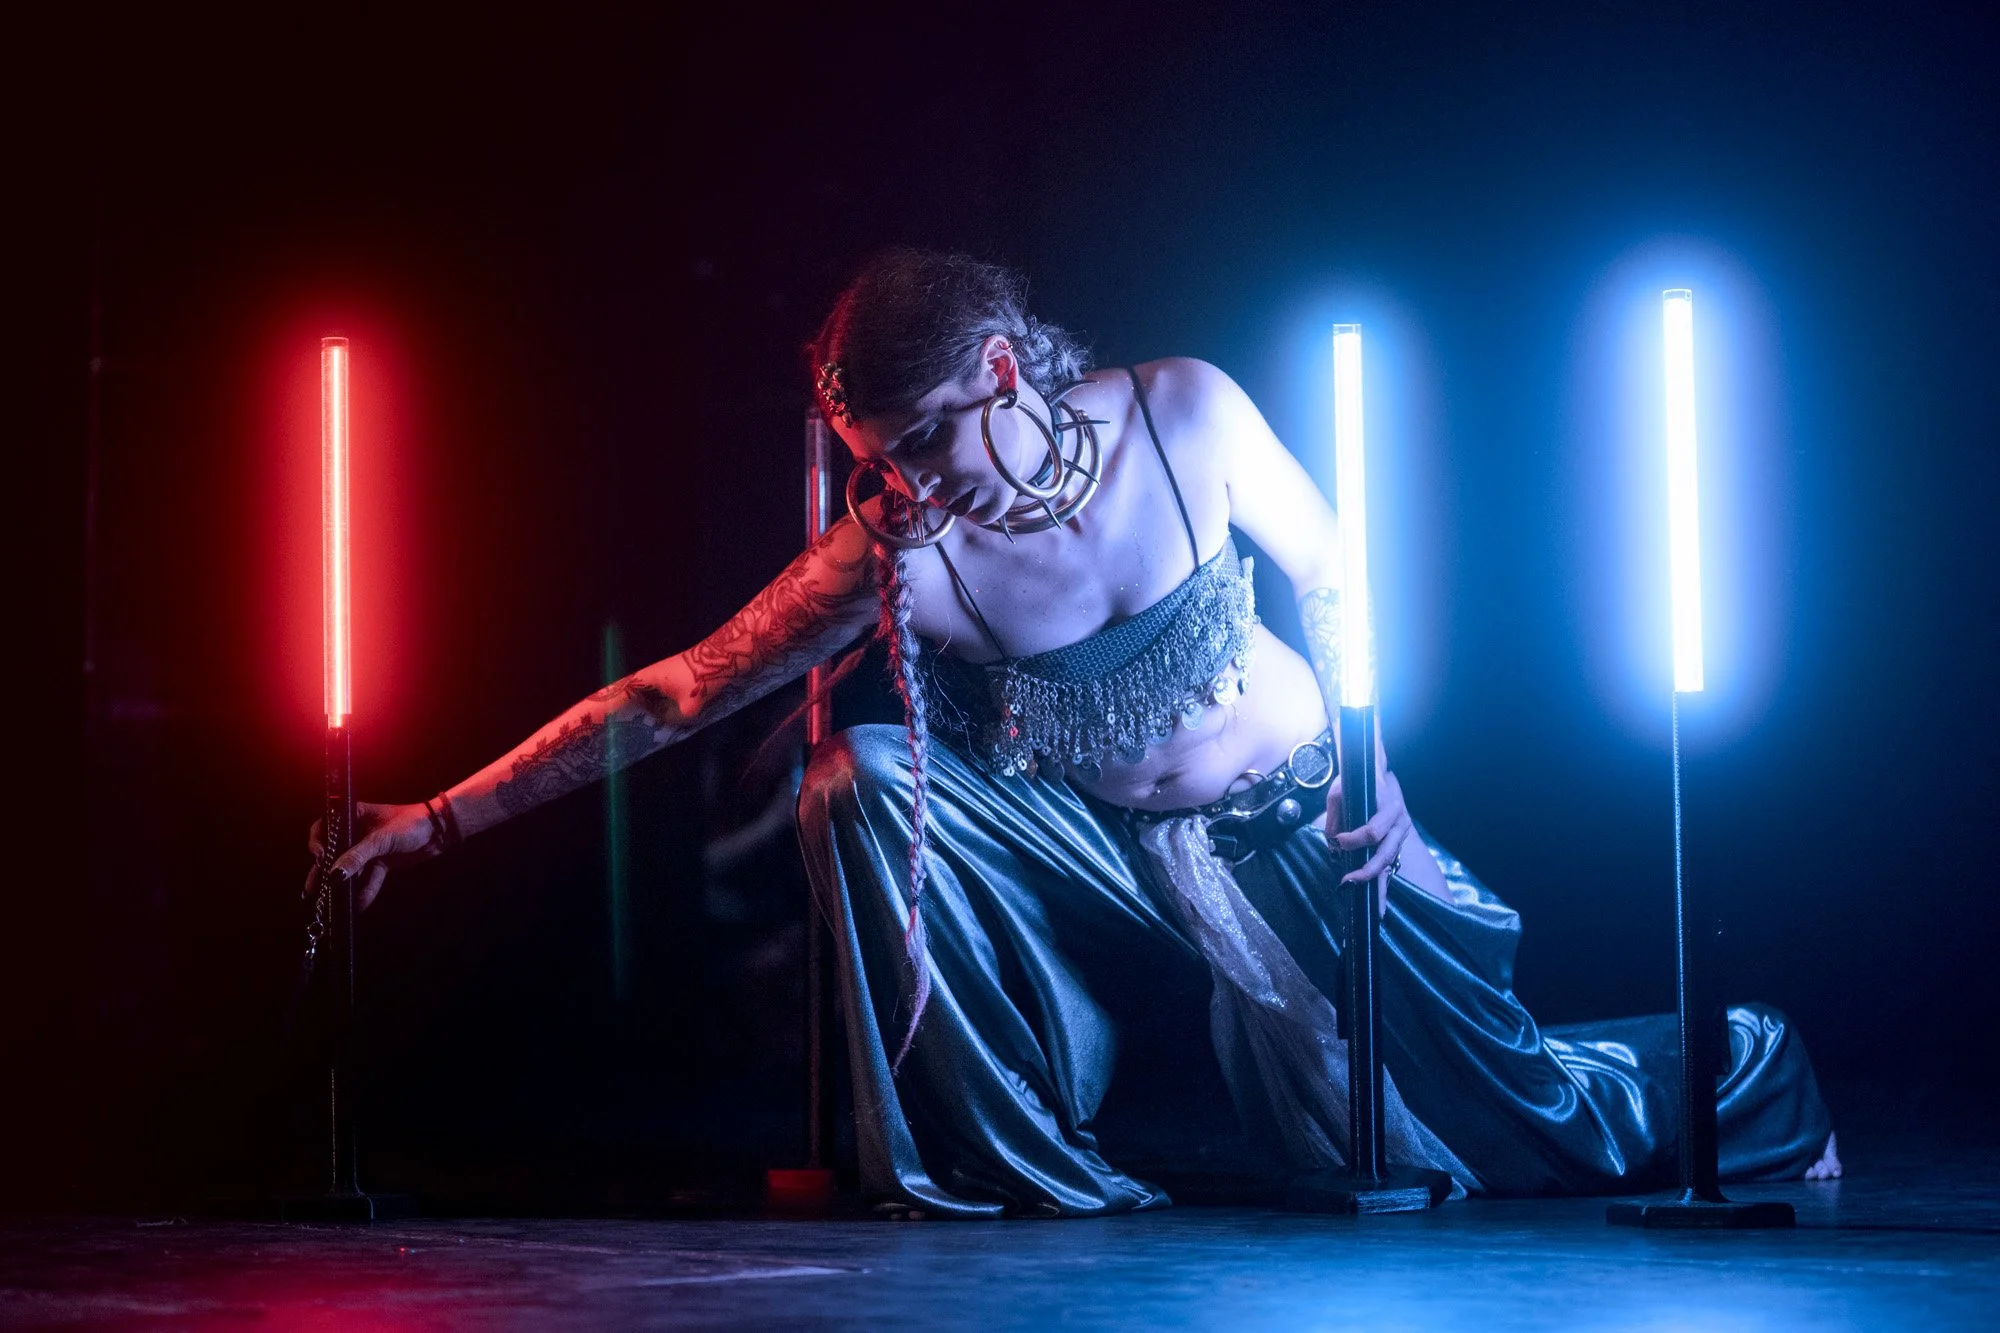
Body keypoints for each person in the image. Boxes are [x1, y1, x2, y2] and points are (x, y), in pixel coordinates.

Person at [313, 249, 1838, 1218]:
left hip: (1309, 824)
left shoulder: (1181, 413)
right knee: (861, 772)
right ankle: (1005, 1154)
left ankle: (1749, 1068)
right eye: (872, 460)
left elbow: (1329, 566)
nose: (905, 484)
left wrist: (1376, 760)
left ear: (997, 373)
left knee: (1514, 1140)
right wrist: (437, 820)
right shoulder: (900, 555)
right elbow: (684, 690)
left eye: (919, 444)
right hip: (1114, 848)